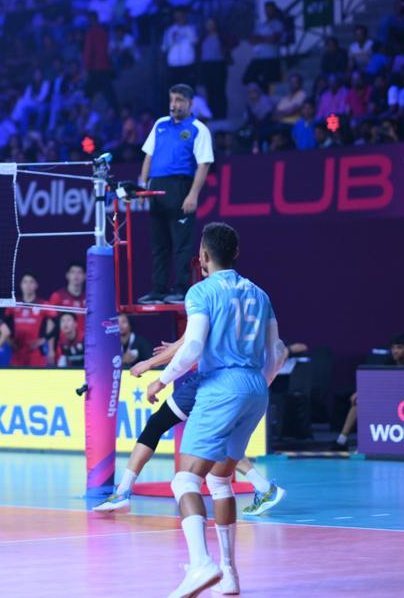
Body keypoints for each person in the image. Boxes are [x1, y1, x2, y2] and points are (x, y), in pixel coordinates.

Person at [145, 222, 285, 596]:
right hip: (256, 388)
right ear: (235, 254)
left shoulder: (200, 291)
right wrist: (256, 385)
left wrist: (161, 379)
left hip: (220, 385)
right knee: (220, 479)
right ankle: (229, 574)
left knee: (185, 480)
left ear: (203, 257)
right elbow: (278, 352)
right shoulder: (260, 293)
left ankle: (201, 565)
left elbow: (191, 348)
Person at [93, 336, 287, 518]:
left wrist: (152, 366)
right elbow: (278, 350)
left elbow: (192, 341)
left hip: (209, 380)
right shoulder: (255, 303)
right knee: (218, 441)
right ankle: (263, 488)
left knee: (160, 429)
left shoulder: (207, 300)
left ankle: (122, 494)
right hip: (243, 383)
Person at [138, 84, 214, 305]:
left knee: (181, 243)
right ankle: (159, 289)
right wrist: (142, 186)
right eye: (172, 99)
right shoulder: (160, 124)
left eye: (179, 100)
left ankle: (181, 289)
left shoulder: (199, 128)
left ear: (190, 103)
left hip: (180, 187)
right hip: (157, 188)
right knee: (159, 244)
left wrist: (193, 195)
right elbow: (148, 157)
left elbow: (204, 164)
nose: (174, 104)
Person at [336, 334, 404, 449]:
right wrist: (360, 392)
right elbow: (378, 382)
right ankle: (341, 441)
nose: (395, 351)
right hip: (390, 398)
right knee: (358, 401)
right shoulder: (388, 362)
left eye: (399, 348)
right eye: (393, 348)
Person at [7, 273, 51, 367]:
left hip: (36, 355)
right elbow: (3, 324)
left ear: (36, 285)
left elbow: (56, 323)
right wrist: (8, 340)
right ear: (21, 285)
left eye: (31, 282)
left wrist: (43, 340)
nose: (28, 285)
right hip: (17, 354)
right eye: (25, 282)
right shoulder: (13, 305)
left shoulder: (43, 304)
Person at [48, 262, 86, 332]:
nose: (76, 275)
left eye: (79, 272)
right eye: (73, 272)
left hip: (86, 340)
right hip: (63, 342)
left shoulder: (90, 298)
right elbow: (51, 321)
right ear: (67, 275)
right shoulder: (57, 296)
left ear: (85, 276)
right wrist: (50, 342)